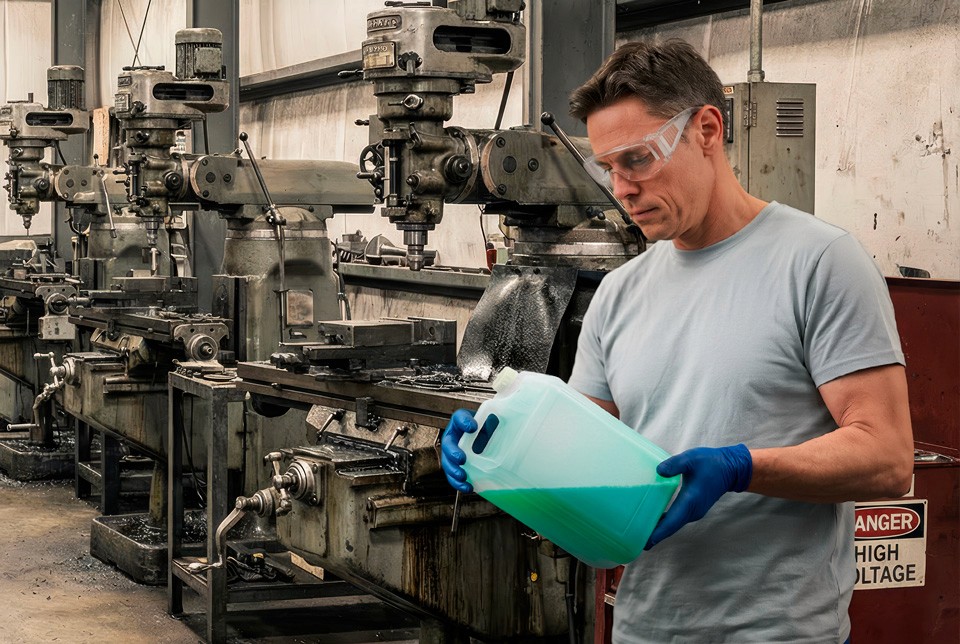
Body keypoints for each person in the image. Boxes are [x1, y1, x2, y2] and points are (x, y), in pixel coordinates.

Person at [441, 40, 914, 643]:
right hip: (646, 626)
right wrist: (491, 446)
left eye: (637, 160)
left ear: (707, 129)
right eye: (607, 168)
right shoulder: (620, 292)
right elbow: (580, 452)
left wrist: (743, 468)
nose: (622, 188)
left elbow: (887, 457)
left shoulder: (819, 262)